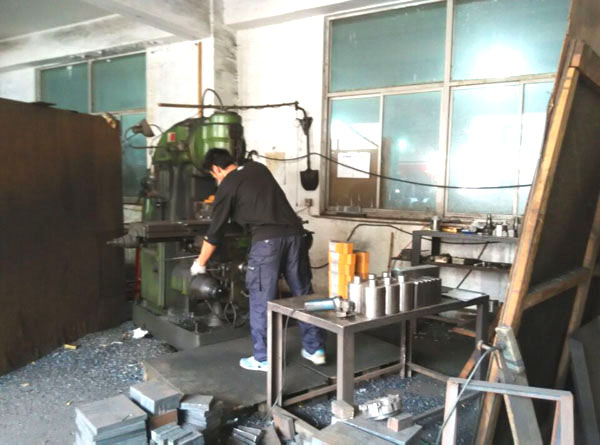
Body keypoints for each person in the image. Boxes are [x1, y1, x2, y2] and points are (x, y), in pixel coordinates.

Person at [191, 148, 325, 372]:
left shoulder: (227, 185)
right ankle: (315, 348)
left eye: (213, 175)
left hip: (267, 242)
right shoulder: (258, 168)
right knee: (303, 293)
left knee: (262, 299)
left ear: (216, 169)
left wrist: (200, 263)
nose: (215, 179)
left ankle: (263, 358)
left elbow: (214, 232)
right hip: (296, 235)